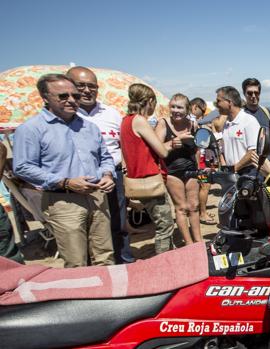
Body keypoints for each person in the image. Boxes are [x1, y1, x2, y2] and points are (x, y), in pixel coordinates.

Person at [13, 74, 116, 267]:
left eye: (75, 96)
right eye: (63, 96)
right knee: (76, 261)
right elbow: (23, 167)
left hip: (97, 197)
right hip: (63, 201)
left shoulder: (89, 127)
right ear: (45, 97)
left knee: (105, 257)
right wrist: (65, 182)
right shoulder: (31, 129)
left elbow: (105, 157)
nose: (71, 100)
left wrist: (108, 174)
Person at [66, 66, 132, 264]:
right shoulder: (65, 116)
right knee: (82, 230)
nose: (87, 90)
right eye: (81, 85)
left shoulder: (111, 114)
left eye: (91, 86)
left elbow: (123, 146)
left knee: (118, 224)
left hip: (113, 177)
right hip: (78, 183)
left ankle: (124, 263)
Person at [121, 83, 177, 254]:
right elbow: (161, 151)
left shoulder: (125, 121)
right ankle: (164, 262)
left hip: (139, 180)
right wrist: (172, 144)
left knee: (164, 223)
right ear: (150, 101)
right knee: (165, 226)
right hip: (150, 180)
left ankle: (170, 254)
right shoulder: (139, 120)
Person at [155, 94, 202, 245]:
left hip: (191, 169)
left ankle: (198, 241)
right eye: (173, 106)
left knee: (194, 206)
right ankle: (188, 243)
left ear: (187, 109)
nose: (175, 110)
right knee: (181, 208)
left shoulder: (192, 124)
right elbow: (156, 148)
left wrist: (199, 167)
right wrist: (172, 142)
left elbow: (196, 148)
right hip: (172, 171)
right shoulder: (163, 124)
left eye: (180, 107)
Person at [215, 86, 261, 175]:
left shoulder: (249, 121)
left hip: (248, 173)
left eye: (218, 101)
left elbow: (253, 152)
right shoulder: (226, 123)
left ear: (229, 102)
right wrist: (226, 170)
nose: (216, 104)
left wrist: (234, 169)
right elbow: (224, 151)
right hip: (231, 174)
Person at [190, 98, 216, 225]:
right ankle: (202, 214)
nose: (205, 112)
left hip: (201, 159)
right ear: (195, 107)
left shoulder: (194, 122)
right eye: (203, 109)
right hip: (199, 160)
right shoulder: (192, 122)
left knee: (203, 186)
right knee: (205, 186)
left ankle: (202, 211)